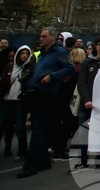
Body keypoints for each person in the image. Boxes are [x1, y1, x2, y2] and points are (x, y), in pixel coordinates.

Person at [17, 27, 76, 179]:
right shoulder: (43, 53)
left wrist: (52, 77)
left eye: (44, 36)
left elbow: (71, 68)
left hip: (46, 94)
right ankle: (43, 161)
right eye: (40, 36)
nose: (41, 38)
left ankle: (31, 165)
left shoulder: (60, 52)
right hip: (34, 93)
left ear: (53, 37)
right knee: (40, 129)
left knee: (37, 130)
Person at [71, 35, 100, 173]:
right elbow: (82, 82)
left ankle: (99, 159)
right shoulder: (88, 62)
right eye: (99, 44)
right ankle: (83, 160)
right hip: (87, 103)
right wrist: (86, 99)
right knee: (84, 132)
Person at [0, 45, 34, 163]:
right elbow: (2, 82)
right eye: (22, 53)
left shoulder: (30, 68)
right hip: (6, 101)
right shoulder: (10, 66)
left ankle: (22, 152)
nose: (24, 55)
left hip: (19, 102)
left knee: (19, 127)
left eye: (26, 53)